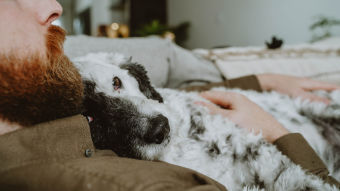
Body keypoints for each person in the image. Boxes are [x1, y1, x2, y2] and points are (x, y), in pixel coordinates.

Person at [0, 0, 339, 190]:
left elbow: (160, 66)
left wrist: (259, 81)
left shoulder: (47, 85)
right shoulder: (110, 180)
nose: (54, 7)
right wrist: (279, 134)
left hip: (278, 107)